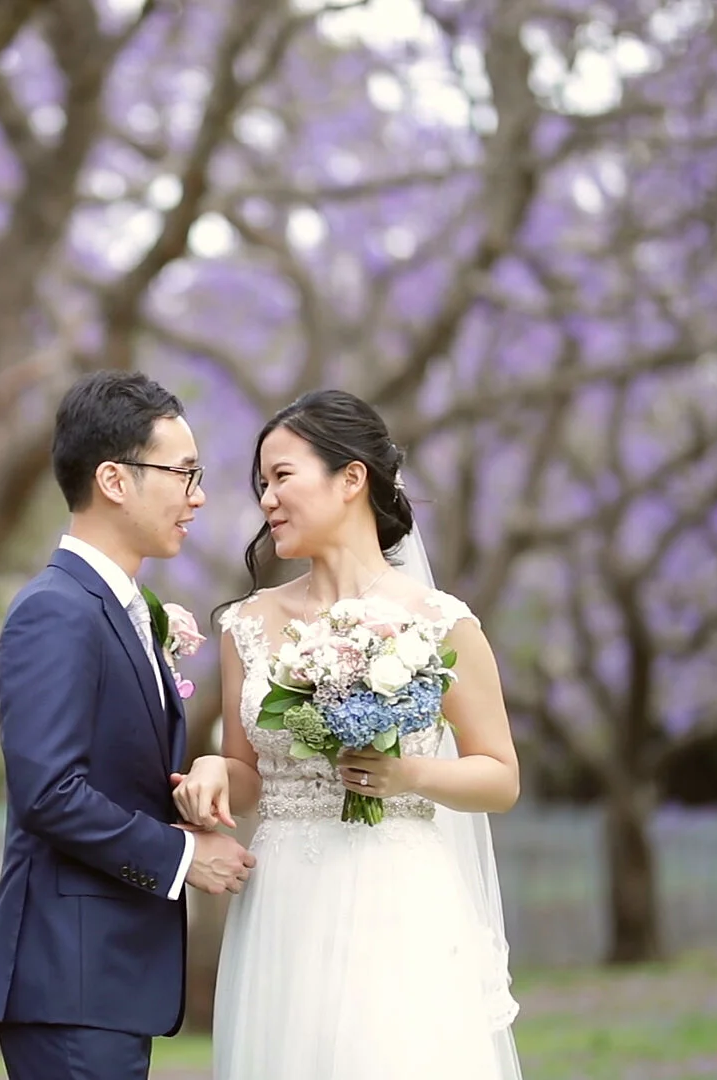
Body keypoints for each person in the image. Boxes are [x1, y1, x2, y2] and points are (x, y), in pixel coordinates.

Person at [171, 389, 525, 1079]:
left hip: (397, 899)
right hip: (283, 908)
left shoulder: (440, 622)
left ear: (352, 478)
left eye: (282, 477)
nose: (266, 500)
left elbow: (501, 776)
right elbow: (250, 777)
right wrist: (214, 766)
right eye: (260, 485)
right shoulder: (247, 623)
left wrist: (408, 775)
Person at [0, 371, 257, 1080]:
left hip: (103, 979)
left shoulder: (119, 609)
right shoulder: (57, 610)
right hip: (70, 977)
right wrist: (184, 857)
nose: (197, 497)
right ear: (114, 479)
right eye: (183, 474)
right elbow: (49, 794)